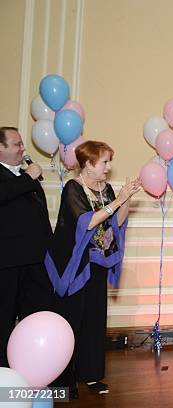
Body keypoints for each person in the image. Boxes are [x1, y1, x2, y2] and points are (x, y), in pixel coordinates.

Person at [45, 141, 140, 397]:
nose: (109, 167)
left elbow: (115, 223)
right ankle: (64, 380)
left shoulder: (106, 189)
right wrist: (117, 201)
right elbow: (86, 223)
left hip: (98, 263)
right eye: (104, 162)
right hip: (75, 265)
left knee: (94, 322)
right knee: (72, 322)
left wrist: (126, 200)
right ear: (88, 164)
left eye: (109, 161)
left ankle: (91, 375)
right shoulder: (73, 188)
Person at [0, 126, 53, 367]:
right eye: (16, 144)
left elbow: (41, 217)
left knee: (37, 314)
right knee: (5, 317)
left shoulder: (25, 176)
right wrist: (27, 178)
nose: (22, 148)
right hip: (8, 263)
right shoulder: (23, 178)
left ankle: (34, 366)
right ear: (0, 148)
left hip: (36, 260)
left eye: (22, 144)